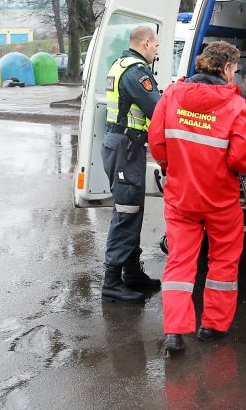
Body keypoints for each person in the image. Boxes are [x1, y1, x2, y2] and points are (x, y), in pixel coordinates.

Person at [148, 41, 246, 356]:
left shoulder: (171, 95)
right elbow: (240, 160)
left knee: (180, 262)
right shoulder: (236, 106)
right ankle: (213, 326)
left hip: (181, 196)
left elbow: (157, 142)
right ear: (226, 69)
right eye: (234, 69)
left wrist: (172, 166)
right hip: (220, 199)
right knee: (222, 261)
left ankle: (174, 332)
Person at [101, 25, 163, 303]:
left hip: (124, 146)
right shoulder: (136, 71)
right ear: (146, 43)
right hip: (126, 148)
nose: (158, 51)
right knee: (126, 212)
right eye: (157, 46)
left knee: (132, 209)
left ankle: (131, 272)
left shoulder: (120, 63)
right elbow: (157, 108)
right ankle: (112, 282)